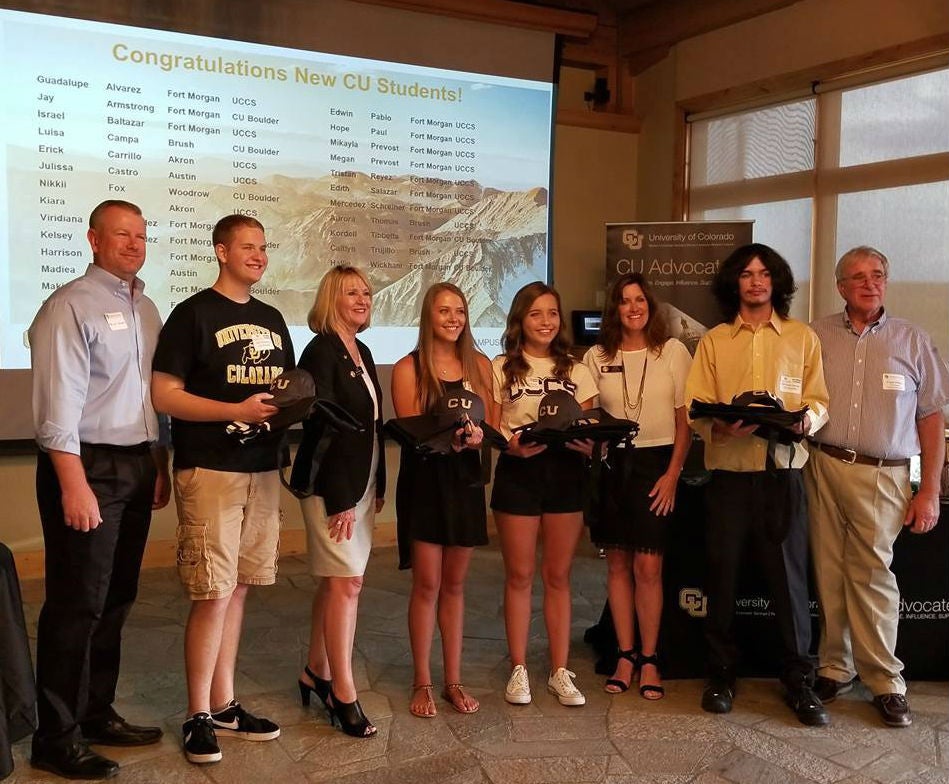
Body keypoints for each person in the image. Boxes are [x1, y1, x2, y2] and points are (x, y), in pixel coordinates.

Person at [28, 199, 170, 780]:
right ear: (93, 239)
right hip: (86, 467)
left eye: (141, 235)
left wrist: (157, 463)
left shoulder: (148, 308)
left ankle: (94, 712)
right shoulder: (70, 305)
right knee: (75, 602)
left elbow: (150, 399)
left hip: (137, 463)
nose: (134, 244)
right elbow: (57, 408)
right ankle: (54, 737)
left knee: (115, 598)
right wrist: (73, 484)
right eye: (121, 235)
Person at [151, 215, 292, 764]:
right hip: (210, 469)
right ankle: (196, 715)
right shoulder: (191, 315)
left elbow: (283, 390)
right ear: (220, 251)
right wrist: (233, 410)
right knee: (212, 590)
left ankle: (225, 704)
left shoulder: (273, 319)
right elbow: (165, 395)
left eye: (263, 245)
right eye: (247, 246)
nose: (258, 255)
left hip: (261, 468)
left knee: (238, 588)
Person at [685, 243, 831, 726]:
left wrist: (804, 421)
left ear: (777, 282)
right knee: (721, 578)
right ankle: (721, 674)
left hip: (782, 474)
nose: (755, 282)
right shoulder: (714, 342)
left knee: (790, 584)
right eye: (746, 274)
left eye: (764, 274)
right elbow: (696, 404)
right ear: (735, 283)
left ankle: (799, 681)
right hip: (728, 476)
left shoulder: (801, 337)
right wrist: (720, 426)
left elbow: (818, 400)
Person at [805, 246, 949, 728]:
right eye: (859, 277)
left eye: (878, 275)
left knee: (873, 576)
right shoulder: (816, 335)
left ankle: (886, 679)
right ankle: (834, 666)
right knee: (828, 571)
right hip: (822, 465)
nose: (870, 284)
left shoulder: (912, 340)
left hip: (883, 473)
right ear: (840, 287)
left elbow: (931, 417)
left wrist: (928, 489)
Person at [582, 273, 692, 699]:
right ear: (615, 309)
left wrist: (672, 475)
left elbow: (685, 420)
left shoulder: (673, 351)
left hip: (657, 465)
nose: (633, 307)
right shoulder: (596, 355)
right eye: (625, 301)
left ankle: (650, 659)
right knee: (616, 565)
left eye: (640, 299)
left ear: (651, 305)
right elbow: (589, 417)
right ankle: (624, 655)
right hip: (613, 466)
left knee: (649, 568)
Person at [490, 281, 598, 707]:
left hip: (566, 476)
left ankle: (558, 670)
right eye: (536, 313)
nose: (546, 321)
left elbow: (589, 426)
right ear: (521, 319)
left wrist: (591, 445)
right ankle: (518, 669)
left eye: (552, 313)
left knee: (558, 576)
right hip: (519, 473)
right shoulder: (501, 366)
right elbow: (494, 426)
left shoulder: (578, 368)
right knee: (519, 576)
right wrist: (510, 445)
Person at [391, 282, 495, 718]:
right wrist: (452, 438)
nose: (453, 318)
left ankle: (453, 680)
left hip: (465, 484)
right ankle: (422, 681)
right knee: (428, 585)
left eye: (460, 310)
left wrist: (477, 438)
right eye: (444, 311)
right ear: (428, 317)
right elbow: (414, 431)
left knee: (455, 586)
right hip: (426, 485)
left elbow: (493, 424)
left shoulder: (482, 365)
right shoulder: (408, 367)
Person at [290, 265, 386, 738]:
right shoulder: (320, 350)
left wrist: (377, 485)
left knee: (337, 583)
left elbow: (370, 423)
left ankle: (314, 671)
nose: (363, 298)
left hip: (360, 485)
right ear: (332, 298)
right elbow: (324, 427)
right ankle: (342, 693)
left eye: (367, 292)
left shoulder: (362, 349)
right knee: (347, 585)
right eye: (352, 292)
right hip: (333, 488)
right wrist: (341, 499)